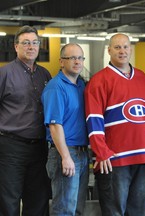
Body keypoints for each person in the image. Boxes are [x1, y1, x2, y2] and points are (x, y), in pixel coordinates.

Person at [85, 33, 145, 216]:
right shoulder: (99, 81)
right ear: (109, 50)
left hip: (140, 156)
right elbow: (93, 119)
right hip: (114, 159)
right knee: (115, 211)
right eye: (117, 47)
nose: (122, 51)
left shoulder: (143, 78)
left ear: (131, 49)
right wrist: (102, 152)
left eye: (125, 47)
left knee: (137, 211)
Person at [0, 25, 51, 216]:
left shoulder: (44, 74)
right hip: (10, 147)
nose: (31, 47)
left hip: (38, 148)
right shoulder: (4, 74)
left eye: (35, 43)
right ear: (16, 47)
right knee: (8, 199)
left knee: (38, 198)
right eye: (26, 43)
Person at [41, 43, 89, 215]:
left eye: (80, 58)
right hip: (66, 154)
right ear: (61, 62)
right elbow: (54, 125)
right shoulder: (56, 87)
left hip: (82, 154)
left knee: (77, 209)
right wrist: (66, 157)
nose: (77, 61)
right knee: (64, 210)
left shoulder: (80, 86)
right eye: (72, 58)